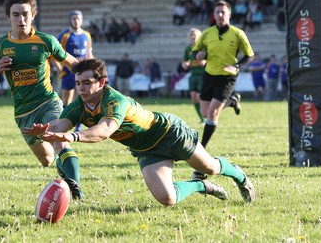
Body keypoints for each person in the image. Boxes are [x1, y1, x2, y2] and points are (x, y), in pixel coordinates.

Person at [22, 58, 255, 205]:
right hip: (146, 149)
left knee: (211, 168)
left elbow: (104, 131)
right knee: (167, 199)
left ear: (102, 82)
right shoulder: (78, 106)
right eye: (78, 83)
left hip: (170, 133)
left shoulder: (115, 101)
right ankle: (200, 186)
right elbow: (60, 125)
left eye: (86, 83)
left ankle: (238, 175)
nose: (80, 88)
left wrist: (72, 136)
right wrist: (46, 131)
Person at [0, 0, 84, 199]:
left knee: (60, 140)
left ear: (33, 15)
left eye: (25, 14)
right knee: (46, 160)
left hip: (48, 102)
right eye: (16, 14)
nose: (21, 19)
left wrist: (96, 74)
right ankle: (63, 171)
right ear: (8, 17)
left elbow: (72, 63)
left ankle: (77, 191)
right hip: (23, 112)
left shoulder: (46, 41)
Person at [192, 0, 254, 148]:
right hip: (209, 74)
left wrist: (237, 66)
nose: (220, 15)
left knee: (213, 112)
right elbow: (196, 50)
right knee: (205, 113)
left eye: (223, 12)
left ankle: (202, 146)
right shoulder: (207, 33)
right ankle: (232, 101)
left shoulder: (238, 34)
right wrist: (198, 55)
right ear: (213, 15)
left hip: (227, 77)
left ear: (229, 14)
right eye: (217, 12)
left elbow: (249, 55)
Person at [57, 10, 93, 132]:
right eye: (74, 18)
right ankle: (63, 125)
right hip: (68, 74)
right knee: (66, 101)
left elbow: (89, 53)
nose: (76, 21)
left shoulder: (87, 35)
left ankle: (78, 127)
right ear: (70, 20)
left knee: (82, 100)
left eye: (78, 18)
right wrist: (60, 70)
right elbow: (54, 55)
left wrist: (93, 68)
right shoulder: (64, 36)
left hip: (83, 74)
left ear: (82, 20)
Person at [182, 28, 206, 123]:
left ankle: (207, 114)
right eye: (191, 36)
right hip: (193, 75)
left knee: (200, 97)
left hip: (202, 75)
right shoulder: (188, 49)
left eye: (194, 35)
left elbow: (208, 60)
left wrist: (204, 62)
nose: (192, 37)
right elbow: (184, 62)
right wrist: (185, 64)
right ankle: (202, 119)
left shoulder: (203, 47)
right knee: (193, 97)